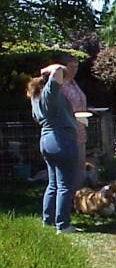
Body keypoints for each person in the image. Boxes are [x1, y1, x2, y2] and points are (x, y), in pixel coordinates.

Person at [27, 59, 80, 234]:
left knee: (53, 184)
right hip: (61, 140)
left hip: (47, 141)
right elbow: (57, 70)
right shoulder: (49, 93)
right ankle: (63, 225)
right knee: (65, 185)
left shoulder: (36, 98)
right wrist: (48, 69)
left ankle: (48, 220)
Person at [60, 55, 87, 190]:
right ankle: (70, 197)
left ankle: (79, 196)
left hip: (81, 130)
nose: (74, 70)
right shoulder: (61, 85)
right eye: (71, 67)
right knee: (71, 167)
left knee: (80, 165)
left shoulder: (74, 83)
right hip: (68, 132)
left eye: (76, 66)